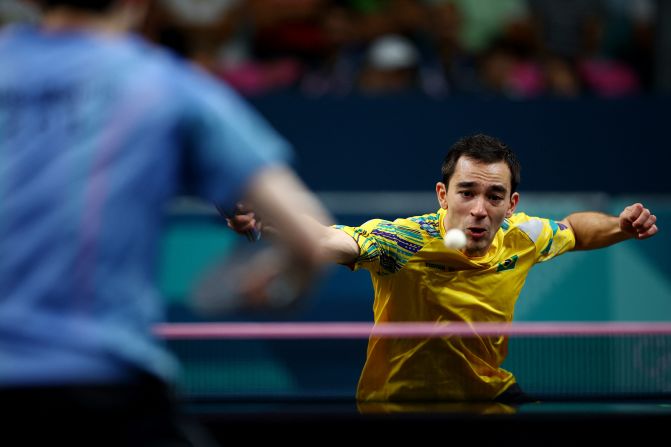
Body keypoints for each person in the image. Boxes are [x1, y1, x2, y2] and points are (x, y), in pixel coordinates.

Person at [0, 0, 332, 445]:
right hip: (101, 389)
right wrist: (285, 283)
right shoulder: (165, 84)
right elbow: (307, 238)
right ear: (138, 5)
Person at [229, 133, 659, 404]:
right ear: (442, 194)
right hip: (401, 406)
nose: (478, 209)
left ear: (511, 205)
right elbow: (324, 239)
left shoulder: (523, 235)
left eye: (493, 197)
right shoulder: (403, 241)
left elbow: (576, 230)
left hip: (489, 401)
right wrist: (265, 215)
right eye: (466, 192)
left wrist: (620, 227)